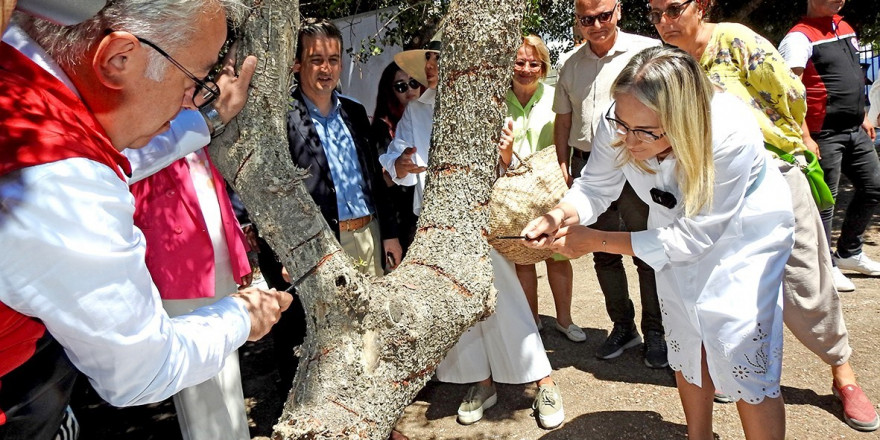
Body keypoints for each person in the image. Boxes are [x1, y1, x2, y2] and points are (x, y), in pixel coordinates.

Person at [0, 1, 292, 439]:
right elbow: (143, 372)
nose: (189, 99)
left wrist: (208, 119)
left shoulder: (22, 57)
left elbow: (111, 154)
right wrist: (241, 316)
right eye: (193, 78)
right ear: (119, 58)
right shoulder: (63, 185)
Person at [525, 46, 794, 440]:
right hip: (671, 228)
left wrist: (594, 240)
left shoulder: (728, 131)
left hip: (742, 234)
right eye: (623, 126)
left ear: (683, 120)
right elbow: (598, 185)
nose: (629, 142)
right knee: (686, 339)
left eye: (646, 132)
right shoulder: (622, 117)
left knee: (741, 350)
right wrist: (559, 215)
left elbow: (696, 236)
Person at [648, 0, 879, 431]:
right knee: (715, 292)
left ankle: (842, 373)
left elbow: (790, 94)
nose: (664, 22)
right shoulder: (667, 61)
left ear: (701, 6)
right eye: (654, 12)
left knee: (806, 283)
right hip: (705, 191)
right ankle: (725, 371)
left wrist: (793, 141)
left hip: (770, 180)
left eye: (673, 9)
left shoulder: (735, 40)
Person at [379, 35, 566, 430]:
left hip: (483, 221)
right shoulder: (416, 111)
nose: (431, 68)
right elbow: (393, 162)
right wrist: (402, 166)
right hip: (437, 226)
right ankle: (481, 383)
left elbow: (509, 168)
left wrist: (504, 153)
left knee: (509, 301)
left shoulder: (486, 106)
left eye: (439, 60)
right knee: (460, 311)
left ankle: (543, 381)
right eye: (428, 60)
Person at [268, 17, 403, 401]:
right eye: (315, 59)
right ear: (297, 64)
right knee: (319, 336)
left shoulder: (355, 113)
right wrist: (286, 252)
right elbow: (273, 194)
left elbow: (375, 181)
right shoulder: (282, 121)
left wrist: (390, 234)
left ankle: (373, 412)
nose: (326, 68)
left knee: (370, 329)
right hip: (317, 244)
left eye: (333, 58)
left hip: (367, 236)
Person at [553, 0, 666, 367]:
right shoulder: (569, 64)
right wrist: (561, 163)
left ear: (618, 10)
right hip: (593, 164)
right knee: (602, 254)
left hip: (643, 163)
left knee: (646, 250)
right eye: (587, 19)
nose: (596, 25)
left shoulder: (647, 52)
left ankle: (656, 332)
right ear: (578, 21)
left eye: (604, 15)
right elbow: (564, 120)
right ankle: (623, 326)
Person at [128, 141, 253, 440]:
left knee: (228, 373)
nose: (191, 94)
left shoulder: (196, 132)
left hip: (219, 263)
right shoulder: (143, 135)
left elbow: (218, 193)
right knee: (197, 384)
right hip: (177, 271)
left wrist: (239, 254)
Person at [779, 0, 880, 290]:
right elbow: (790, 91)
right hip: (822, 133)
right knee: (825, 201)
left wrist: (862, 115)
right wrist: (804, 136)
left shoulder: (845, 27)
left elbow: (852, 76)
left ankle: (850, 252)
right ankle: (826, 266)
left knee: (873, 186)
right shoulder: (798, 38)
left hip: (854, 128)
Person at [505, 35, 583, 342]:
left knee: (557, 254)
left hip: (551, 189)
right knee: (523, 255)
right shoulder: (496, 101)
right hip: (512, 192)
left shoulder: (556, 99)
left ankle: (565, 320)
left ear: (543, 67)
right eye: (519, 62)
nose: (525, 69)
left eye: (533, 63)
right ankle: (532, 319)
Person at [369, 61, 420, 258]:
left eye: (414, 83)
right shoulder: (381, 129)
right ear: (389, 92)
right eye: (401, 86)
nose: (410, 90)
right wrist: (398, 168)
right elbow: (382, 182)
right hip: (399, 220)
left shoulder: (426, 119)